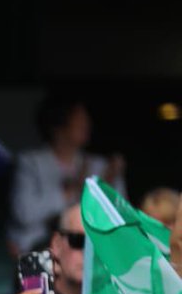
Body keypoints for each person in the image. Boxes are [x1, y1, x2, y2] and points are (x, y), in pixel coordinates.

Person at [7, 96, 125, 255]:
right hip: (35, 250)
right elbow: (24, 213)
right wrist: (73, 189)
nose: (86, 124)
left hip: (86, 252)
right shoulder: (31, 162)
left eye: (86, 119)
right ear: (58, 126)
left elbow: (119, 217)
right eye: (79, 119)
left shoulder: (99, 166)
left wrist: (107, 185)